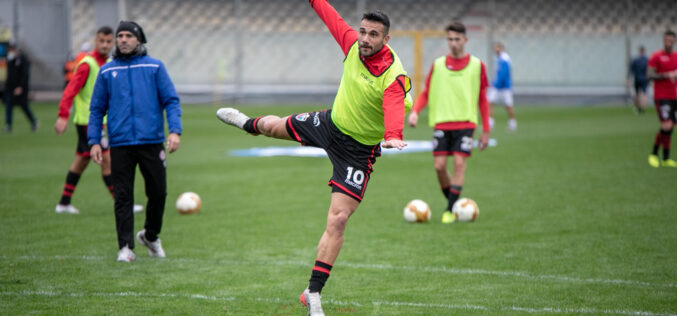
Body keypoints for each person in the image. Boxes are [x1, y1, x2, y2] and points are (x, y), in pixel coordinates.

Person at [216, 1, 412, 314]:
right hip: (331, 124)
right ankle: (245, 123)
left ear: (385, 40)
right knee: (271, 126)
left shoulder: (394, 76)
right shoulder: (351, 45)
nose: (364, 38)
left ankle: (313, 293)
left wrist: (394, 136)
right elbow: (329, 16)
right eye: (362, 31)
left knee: (339, 219)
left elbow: (392, 104)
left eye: (373, 34)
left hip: (357, 151)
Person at [88, 21, 182, 262]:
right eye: (120, 35)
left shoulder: (155, 67)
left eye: (129, 35)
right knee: (123, 197)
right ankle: (126, 247)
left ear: (139, 40)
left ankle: (150, 236)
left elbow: (170, 100)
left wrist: (174, 131)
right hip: (120, 143)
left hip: (151, 141)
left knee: (158, 193)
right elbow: (97, 109)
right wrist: (95, 140)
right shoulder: (107, 71)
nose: (123, 39)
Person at [53, 26, 143, 215]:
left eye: (108, 41)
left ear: (113, 43)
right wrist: (63, 115)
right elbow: (71, 90)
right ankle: (122, 202)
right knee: (108, 160)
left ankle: (63, 203)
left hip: (100, 122)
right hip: (88, 122)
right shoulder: (87, 64)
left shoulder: (110, 63)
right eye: (101, 41)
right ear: (96, 41)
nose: (105, 45)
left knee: (82, 161)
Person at [407, 22, 490, 224]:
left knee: (460, 164)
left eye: (457, 39)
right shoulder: (438, 65)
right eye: (450, 39)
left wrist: (486, 129)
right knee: (439, 166)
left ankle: (449, 209)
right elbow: (426, 92)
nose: (453, 43)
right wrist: (415, 112)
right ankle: (455, 203)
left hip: (466, 123)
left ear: (465, 40)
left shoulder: (477, 65)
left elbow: (482, 98)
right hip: (442, 123)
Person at [647, 30, 677, 168]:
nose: (668, 43)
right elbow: (650, 75)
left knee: (670, 128)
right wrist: (666, 75)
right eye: (666, 40)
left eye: (671, 41)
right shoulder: (656, 56)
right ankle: (653, 154)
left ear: (674, 42)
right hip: (661, 96)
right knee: (666, 125)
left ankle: (665, 158)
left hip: (674, 96)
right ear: (663, 40)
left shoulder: (676, 57)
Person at [3, 42, 37, 132]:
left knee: (24, 106)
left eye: (11, 49)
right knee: (8, 106)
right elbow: (10, 75)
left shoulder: (23, 59)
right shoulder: (11, 59)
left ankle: (34, 122)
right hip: (10, 87)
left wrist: (20, 86)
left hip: (21, 88)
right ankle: (8, 125)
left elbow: (25, 74)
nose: (10, 52)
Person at [486, 42, 516, 131]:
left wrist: (495, 84)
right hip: (499, 85)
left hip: (504, 86)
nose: (496, 50)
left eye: (497, 48)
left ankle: (512, 123)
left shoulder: (504, 58)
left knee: (508, 105)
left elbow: (503, 73)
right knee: (490, 102)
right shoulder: (499, 58)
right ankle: (490, 123)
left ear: (501, 48)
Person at [628, 46, 649, 114]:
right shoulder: (647, 60)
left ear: (639, 51)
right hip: (645, 79)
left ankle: (637, 108)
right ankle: (643, 108)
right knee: (644, 93)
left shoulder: (635, 60)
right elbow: (650, 70)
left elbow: (631, 70)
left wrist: (628, 78)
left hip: (637, 78)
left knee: (637, 93)